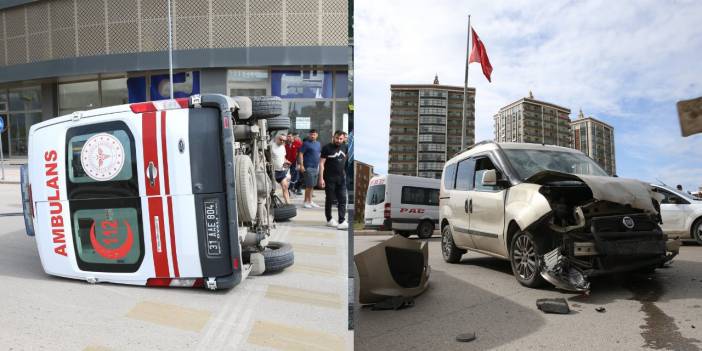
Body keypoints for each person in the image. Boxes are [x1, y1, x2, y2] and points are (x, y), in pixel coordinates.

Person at [320, 130, 349, 230]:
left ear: (343, 138)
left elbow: (345, 161)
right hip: (329, 178)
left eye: (341, 139)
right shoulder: (326, 148)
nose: (338, 140)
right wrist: (321, 179)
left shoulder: (345, 147)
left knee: (342, 199)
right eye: (337, 138)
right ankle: (329, 219)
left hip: (341, 178)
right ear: (333, 137)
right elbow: (321, 163)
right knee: (329, 199)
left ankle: (342, 220)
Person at [298, 129, 322, 208]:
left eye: (314, 134)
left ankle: (310, 201)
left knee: (312, 185)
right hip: (308, 167)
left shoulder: (318, 144)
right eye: (311, 134)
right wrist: (301, 165)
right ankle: (305, 202)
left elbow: (319, 154)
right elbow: (301, 154)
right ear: (309, 135)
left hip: (316, 167)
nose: (312, 136)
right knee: (309, 185)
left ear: (317, 135)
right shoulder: (305, 144)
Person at [270, 133, 291, 204]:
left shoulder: (283, 147)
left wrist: (286, 162)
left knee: (285, 187)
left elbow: (283, 157)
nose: (282, 141)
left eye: (284, 140)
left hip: (281, 171)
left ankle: (288, 203)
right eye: (281, 140)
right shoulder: (271, 146)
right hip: (272, 171)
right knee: (271, 190)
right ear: (276, 139)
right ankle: (271, 204)